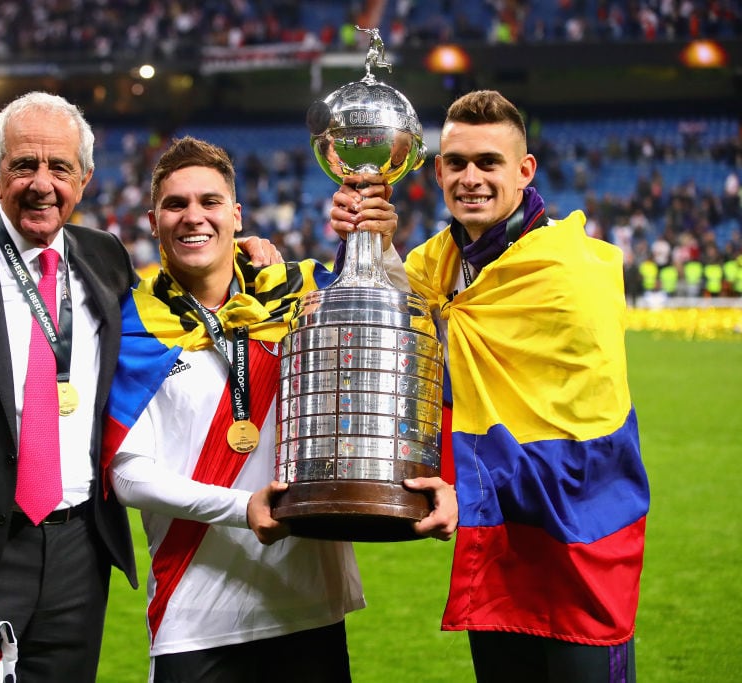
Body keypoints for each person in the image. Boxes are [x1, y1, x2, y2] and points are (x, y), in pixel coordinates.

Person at [0, 92, 277, 682]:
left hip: (80, 554)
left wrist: (249, 256)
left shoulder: (104, 260)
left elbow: (188, 296)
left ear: (84, 177)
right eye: (24, 165)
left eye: (59, 167)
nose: (42, 184)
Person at [101, 136, 457, 682]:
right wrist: (243, 508)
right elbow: (127, 476)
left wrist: (373, 239)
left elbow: (388, 331)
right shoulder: (134, 325)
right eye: (176, 205)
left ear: (236, 214)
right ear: (152, 220)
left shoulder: (296, 293)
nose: (194, 216)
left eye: (210, 201)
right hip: (195, 618)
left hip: (310, 603)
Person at [402, 90, 649, 682]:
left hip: (578, 543)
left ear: (524, 170)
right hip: (495, 545)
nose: (471, 178)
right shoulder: (429, 267)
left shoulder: (569, 274)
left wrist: (470, 495)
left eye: (489, 162)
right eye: (457, 163)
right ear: (437, 172)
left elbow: (589, 446)